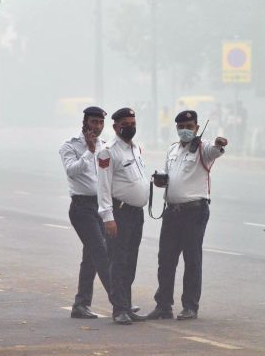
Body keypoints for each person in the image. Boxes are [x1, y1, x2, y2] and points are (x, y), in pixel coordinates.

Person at [147, 110, 228, 320]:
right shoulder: (172, 149)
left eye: (189, 127)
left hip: (194, 212)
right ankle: (163, 306)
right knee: (165, 260)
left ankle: (190, 306)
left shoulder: (203, 148)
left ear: (197, 128)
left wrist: (220, 143)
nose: (185, 130)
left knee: (192, 259)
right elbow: (169, 176)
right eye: (181, 127)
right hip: (172, 212)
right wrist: (160, 182)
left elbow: (216, 149)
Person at [59, 106, 126, 320]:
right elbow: (72, 171)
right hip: (81, 208)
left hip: (101, 207)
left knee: (91, 257)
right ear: (85, 122)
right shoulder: (70, 145)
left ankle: (81, 304)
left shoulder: (105, 146)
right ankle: (120, 303)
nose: (96, 127)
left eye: (100, 123)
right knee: (102, 253)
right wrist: (88, 151)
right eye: (93, 122)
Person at [97, 107, 150, 325]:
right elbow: (103, 186)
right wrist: (108, 217)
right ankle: (119, 309)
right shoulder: (108, 151)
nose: (130, 126)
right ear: (115, 126)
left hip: (136, 214)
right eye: (125, 124)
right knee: (118, 262)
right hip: (119, 214)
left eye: (132, 122)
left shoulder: (135, 148)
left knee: (130, 262)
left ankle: (127, 305)